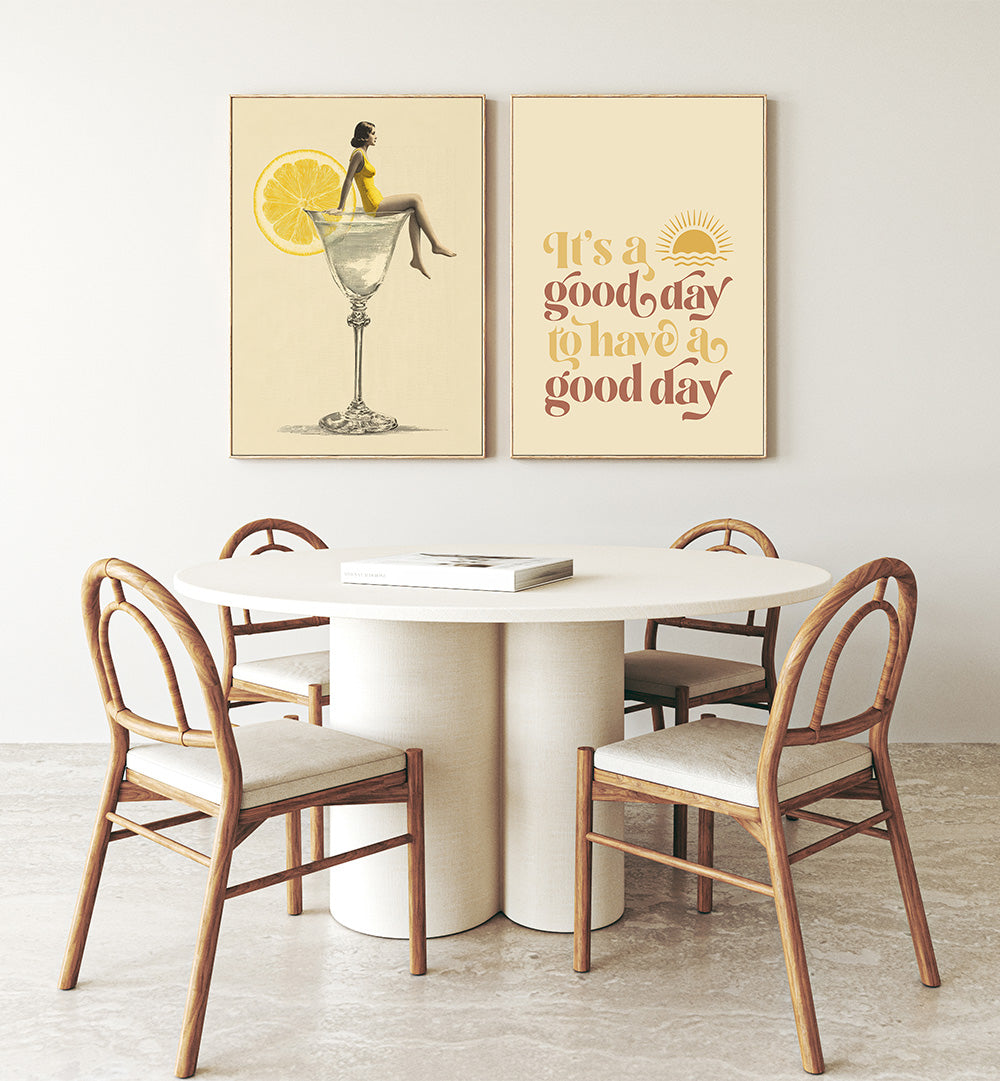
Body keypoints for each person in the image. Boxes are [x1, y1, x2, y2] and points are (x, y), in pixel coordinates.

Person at [336, 120, 456, 279]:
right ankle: (435, 244)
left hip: (377, 199)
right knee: (416, 199)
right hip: (374, 204)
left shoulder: (363, 153)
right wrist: (340, 207)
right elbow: (348, 179)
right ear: (364, 137)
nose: (376, 136)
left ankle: (417, 259)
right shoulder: (358, 154)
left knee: (414, 209)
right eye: (373, 133)